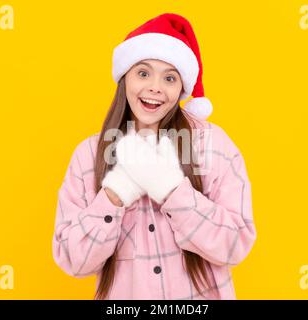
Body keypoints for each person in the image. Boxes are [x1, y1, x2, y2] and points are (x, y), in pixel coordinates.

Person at [52, 13, 256, 300]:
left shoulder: (212, 145)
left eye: (170, 77)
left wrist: (171, 187)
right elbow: (73, 260)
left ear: (181, 87)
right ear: (125, 77)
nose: (155, 88)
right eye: (143, 73)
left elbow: (234, 246)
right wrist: (115, 193)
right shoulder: (89, 155)